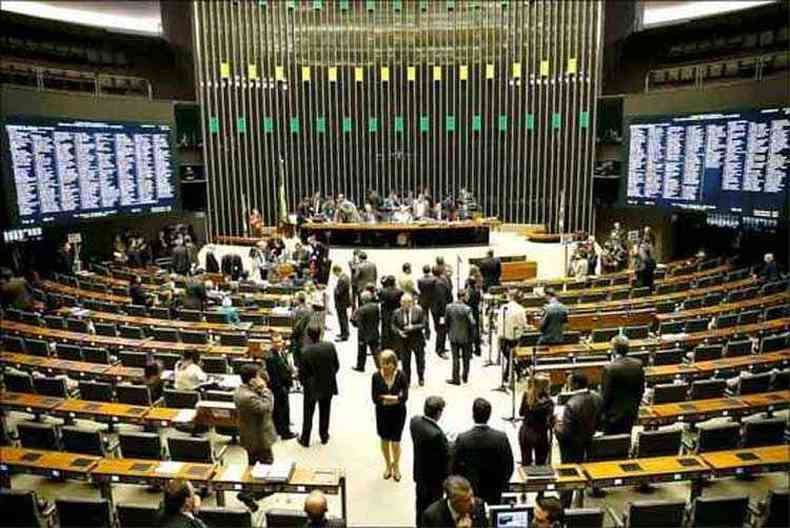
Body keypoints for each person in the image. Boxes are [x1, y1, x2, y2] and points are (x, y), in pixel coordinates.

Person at [452, 398, 514, 507]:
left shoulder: (463, 439)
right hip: (495, 488)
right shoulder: (501, 437)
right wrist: (502, 484)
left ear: (473, 414)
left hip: (471, 489)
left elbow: (455, 466)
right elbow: (509, 465)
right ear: (489, 415)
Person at [554, 373, 602, 507]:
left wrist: (556, 428)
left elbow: (566, 433)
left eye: (569, 382)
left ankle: (565, 502)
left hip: (572, 446)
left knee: (569, 474)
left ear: (575, 385)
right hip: (590, 440)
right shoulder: (597, 397)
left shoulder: (572, 404)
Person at [234, 364, 277, 511]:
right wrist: (265, 390)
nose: (260, 379)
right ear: (252, 379)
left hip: (249, 436)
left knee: (253, 466)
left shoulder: (242, 390)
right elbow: (266, 408)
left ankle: (248, 491)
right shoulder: (249, 397)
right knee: (267, 468)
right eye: (258, 376)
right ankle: (250, 494)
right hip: (258, 438)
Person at [410, 396, 450, 527]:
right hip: (434, 481)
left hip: (420, 475)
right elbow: (446, 457)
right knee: (433, 512)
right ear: (438, 413)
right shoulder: (437, 435)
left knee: (420, 506)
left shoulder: (414, 422)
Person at [298, 322, 340, 447]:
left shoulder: (305, 351)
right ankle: (324, 436)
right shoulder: (330, 346)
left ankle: (305, 439)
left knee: (308, 413)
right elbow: (336, 366)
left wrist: (305, 384)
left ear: (309, 336)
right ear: (320, 333)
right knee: (325, 411)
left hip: (311, 387)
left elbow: (302, 373)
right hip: (328, 384)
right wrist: (329, 376)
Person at [371, 350, 409, 482]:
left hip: (398, 413)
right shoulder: (376, 377)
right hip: (382, 414)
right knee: (385, 440)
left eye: (388, 364)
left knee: (396, 442)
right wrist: (395, 398)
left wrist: (388, 398)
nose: (385, 367)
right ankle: (388, 465)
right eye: (383, 364)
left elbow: (404, 397)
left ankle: (396, 466)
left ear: (394, 364)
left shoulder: (401, 376)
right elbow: (375, 398)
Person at [601, 335, 645, 434]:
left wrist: (602, 414)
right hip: (631, 412)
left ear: (613, 349)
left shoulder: (609, 368)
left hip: (613, 416)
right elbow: (641, 390)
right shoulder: (638, 364)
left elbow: (606, 395)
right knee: (625, 439)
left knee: (612, 443)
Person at [421, 475, 488, 528]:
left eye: (472, 496)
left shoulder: (479, 505)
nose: (472, 502)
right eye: (466, 500)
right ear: (454, 502)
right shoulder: (432, 516)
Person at [392, 293, 428, 386]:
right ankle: (407, 380)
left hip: (417, 339)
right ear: (400, 303)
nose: (406, 305)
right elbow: (393, 325)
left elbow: (423, 324)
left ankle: (421, 377)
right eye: (403, 303)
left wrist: (413, 327)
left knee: (420, 360)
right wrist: (399, 332)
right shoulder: (396, 312)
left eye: (408, 303)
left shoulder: (419, 311)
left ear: (412, 303)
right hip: (404, 341)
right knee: (405, 362)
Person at [265, 335, 297, 440]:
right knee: (283, 409)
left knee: (280, 409)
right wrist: (281, 388)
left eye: (280, 341)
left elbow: (285, 366)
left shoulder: (281, 351)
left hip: (285, 384)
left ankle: (279, 428)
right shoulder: (270, 357)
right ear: (272, 343)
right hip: (279, 387)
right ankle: (285, 432)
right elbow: (273, 376)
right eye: (276, 342)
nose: (279, 344)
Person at [518, 374, 554, 466]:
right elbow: (549, 422)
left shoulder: (526, 395)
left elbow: (521, 413)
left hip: (525, 432)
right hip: (540, 435)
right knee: (540, 464)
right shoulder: (548, 402)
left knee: (525, 462)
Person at [445, 290, 476, 385]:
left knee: (455, 358)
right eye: (466, 296)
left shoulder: (449, 307)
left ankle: (456, 379)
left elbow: (447, 321)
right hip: (466, 337)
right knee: (466, 358)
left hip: (453, 336)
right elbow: (472, 323)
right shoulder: (467, 309)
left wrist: (449, 331)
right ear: (462, 297)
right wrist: (472, 335)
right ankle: (465, 377)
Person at [499, 290, 527, 384]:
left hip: (503, 338)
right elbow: (523, 324)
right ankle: (519, 374)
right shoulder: (520, 309)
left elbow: (499, 323)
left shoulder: (503, 307)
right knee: (513, 357)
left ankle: (506, 376)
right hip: (515, 338)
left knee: (510, 358)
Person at [351, 291, 380, 372]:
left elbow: (359, 324)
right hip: (374, 331)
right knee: (376, 351)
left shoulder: (361, 310)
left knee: (362, 352)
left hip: (364, 334)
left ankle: (360, 366)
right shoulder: (376, 307)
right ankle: (380, 366)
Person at [431, 265, 452, 360]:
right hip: (440, 311)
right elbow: (441, 299)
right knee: (441, 330)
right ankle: (440, 349)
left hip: (438, 309)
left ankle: (441, 346)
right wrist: (444, 312)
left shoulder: (439, 280)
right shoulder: (439, 283)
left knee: (442, 329)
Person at [379, 275, 403, 350]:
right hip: (396, 311)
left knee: (385, 330)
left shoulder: (383, 291)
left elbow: (379, 299)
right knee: (396, 329)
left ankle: (386, 347)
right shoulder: (399, 291)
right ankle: (397, 348)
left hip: (386, 312)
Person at [332, 265, 351, 342]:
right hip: (343, 302)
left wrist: (335, 289)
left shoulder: (342, 279)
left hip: (341, 302)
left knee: (342, 319)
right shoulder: (345, 277)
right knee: (343, 318)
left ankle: (344, 335)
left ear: (337, 271)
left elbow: (339, 292)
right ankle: (343, 332)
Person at [417, 265, 436, 339]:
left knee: (425, 316)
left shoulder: (420, 280)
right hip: (432, 299)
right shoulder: (434, 279)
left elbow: (420, 289)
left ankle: (427, 332)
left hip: (423, 299)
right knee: (434, 315)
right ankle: (436, 329)